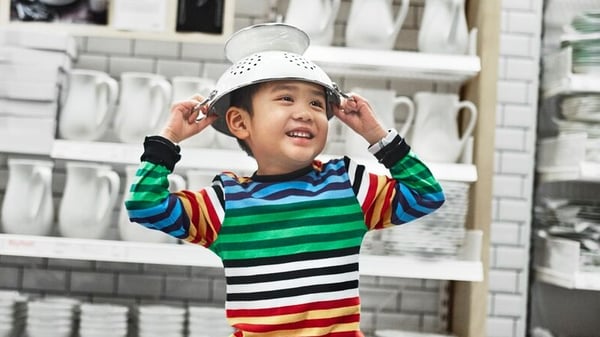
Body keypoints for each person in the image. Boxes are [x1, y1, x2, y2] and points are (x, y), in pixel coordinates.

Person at [125, 23, 445, 337]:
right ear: (239, 122)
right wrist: (169, 138)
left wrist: (376, 135)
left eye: (316, 103)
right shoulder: (226, 203)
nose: (305, 112)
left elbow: (425, 194)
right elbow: (144, 206)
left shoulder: (347, 184)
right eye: (286, 99)